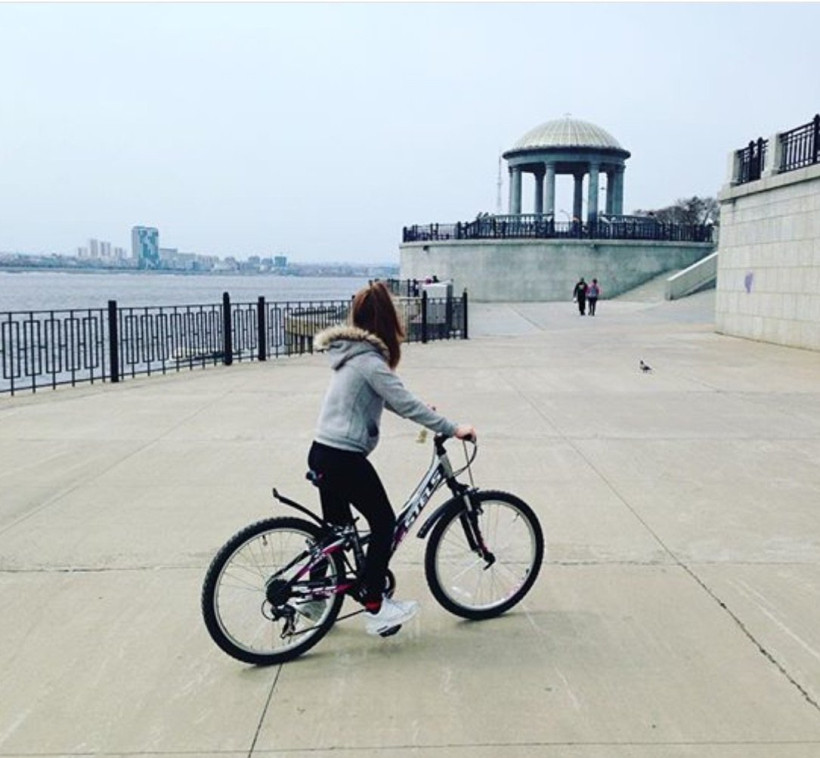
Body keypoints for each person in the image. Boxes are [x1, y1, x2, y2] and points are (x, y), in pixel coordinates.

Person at [308, 281, 477, 636]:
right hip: (344, 457)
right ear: (386, 321)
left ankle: (313, 598)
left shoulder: (350, 355)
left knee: (335, 533)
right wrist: (453, 427)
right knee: (384, 523)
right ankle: (375, 604)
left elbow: (389, 399)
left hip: (323, 451)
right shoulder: (370, 361)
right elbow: (402, 401)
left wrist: (424, 413)